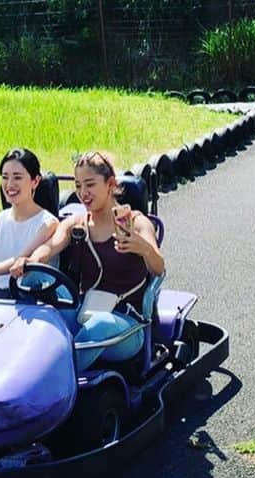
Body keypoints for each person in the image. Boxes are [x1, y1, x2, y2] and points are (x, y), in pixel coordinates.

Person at [28, 150, 164, 364]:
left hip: (126, 324)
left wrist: (144, 248)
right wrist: (34, 260)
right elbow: (50, 246)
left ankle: (57, 377)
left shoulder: (137, 223)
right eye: (78, 185)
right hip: (85, 312)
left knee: (99, 325)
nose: (83, 193)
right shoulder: (76, 223)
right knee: (32, 281)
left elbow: (159, 269)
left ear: (110, 184)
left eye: (90, 185)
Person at [0, 147, 59, 290]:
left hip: (28, 300)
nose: (9, 184)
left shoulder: (48, 223)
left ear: (35, 181)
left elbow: (22, 259)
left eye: (17, 177)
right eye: (5, 177)